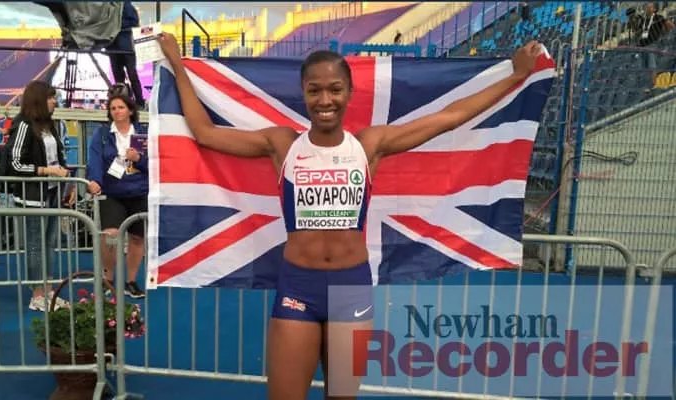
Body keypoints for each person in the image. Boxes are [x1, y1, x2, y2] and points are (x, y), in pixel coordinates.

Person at [158, 32, 541, 399]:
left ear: (349, 93)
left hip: (351, 288)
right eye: (315, 90)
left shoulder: (370, 145)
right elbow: (205, 133)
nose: (325, 99)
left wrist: (515, 76)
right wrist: (177, 63)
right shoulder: (282, 144)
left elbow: (449, 117)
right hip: (297, 288)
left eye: (335, 89)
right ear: (304, 93)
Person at [8, 81, 73, 312]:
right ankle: (37, 295)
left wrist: (68, 182)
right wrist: (46, 171)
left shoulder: (51, 126)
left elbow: (59, 157)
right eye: (50, 97)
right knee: (35, 244)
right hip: (32, 196)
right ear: (38, 100)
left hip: (53, 192)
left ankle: (48, 291)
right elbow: (15, 164)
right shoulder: (23, 125)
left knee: (49, 243)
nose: (55, 101)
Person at [85, 92, 148, 299]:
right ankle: (108, 280)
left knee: (137, 238)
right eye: (113, 108)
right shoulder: (102, 134)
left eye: (121, 107)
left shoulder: (143, 133)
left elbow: (155, 163)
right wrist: (94, 180)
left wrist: (138, 159)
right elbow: (94, 159)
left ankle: (131, 282)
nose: (117, 111)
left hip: (139, 191)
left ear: (130, 110)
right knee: (110, 235)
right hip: (111, 192)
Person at [106, 0, 146, 109]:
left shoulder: (127, 6)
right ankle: (122, 102)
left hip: (126, 46)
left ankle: (140, 102)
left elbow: (135, 23)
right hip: (114, 45)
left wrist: (118, 26)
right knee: (118, 76)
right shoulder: (108, 6)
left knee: (132, 74)